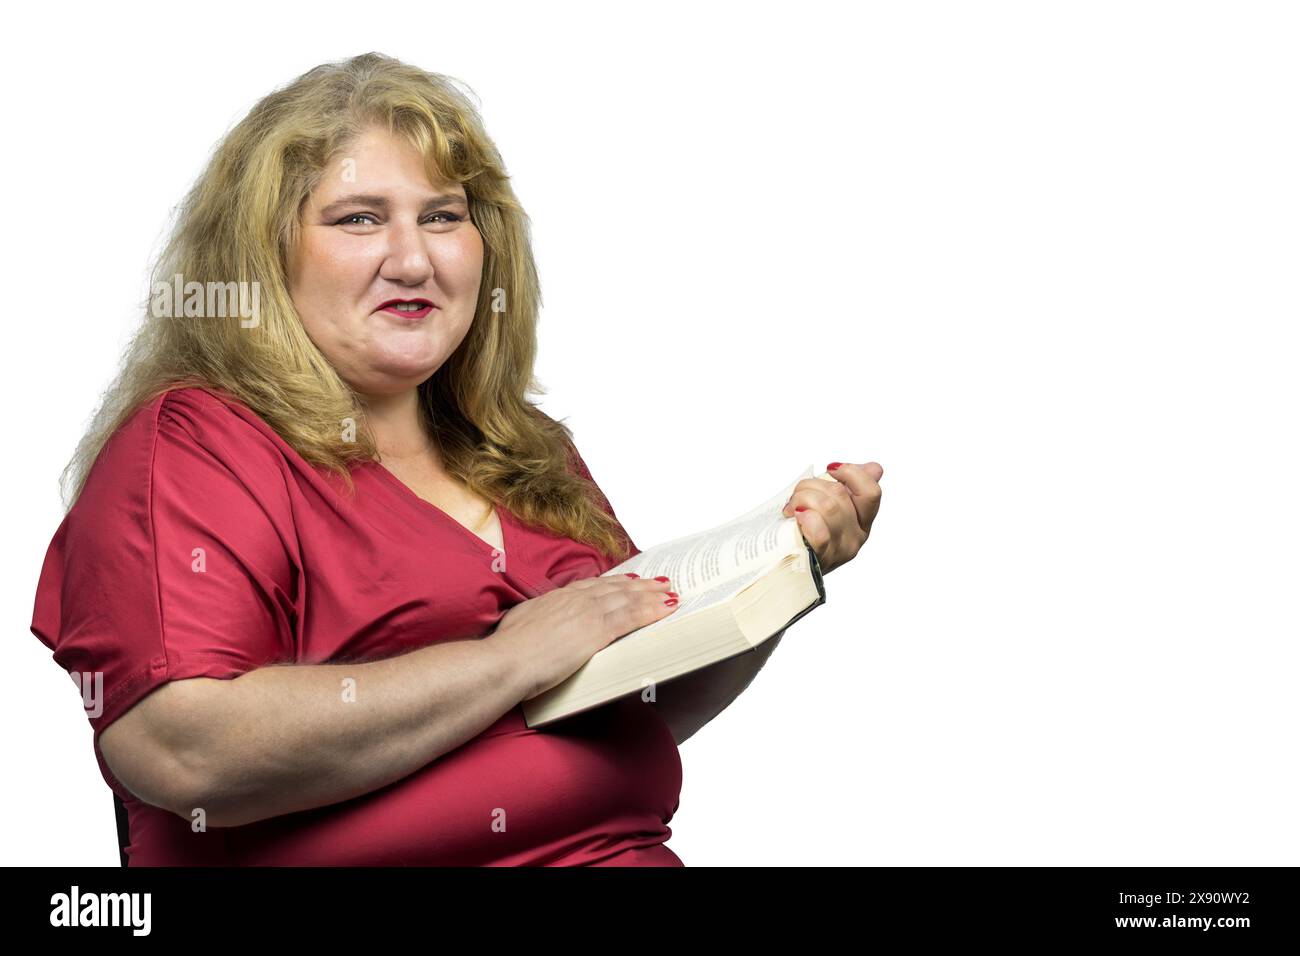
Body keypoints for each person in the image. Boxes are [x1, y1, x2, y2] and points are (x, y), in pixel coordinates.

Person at [28, 53, 883, 866]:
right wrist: (505, 659)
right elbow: (184, 750)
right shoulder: (195, 445)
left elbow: (635, 705)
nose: (414, 258)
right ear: (263, 254)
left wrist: (781, 578)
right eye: (359, 218)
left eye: (443, 216)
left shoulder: (523, 449)